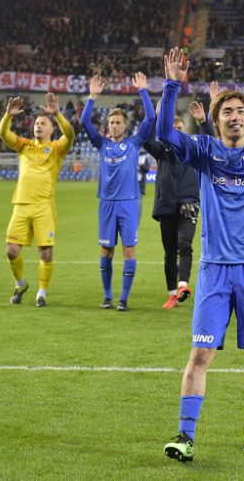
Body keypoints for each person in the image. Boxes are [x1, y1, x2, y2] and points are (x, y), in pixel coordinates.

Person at [159, 39, 244, 462]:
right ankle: (185, 437)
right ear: (216, 121)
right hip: (215, 270)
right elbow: (165, 133)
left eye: (240, 111)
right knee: (200, 353)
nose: (234, 116)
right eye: (226, 112)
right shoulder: (203, 152)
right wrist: (170, 86)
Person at [80, 72, 155, 311]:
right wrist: (92, 97)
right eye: (111, 123)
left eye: (118, 122)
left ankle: (123, 299)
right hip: (107, 203)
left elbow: (151, 117)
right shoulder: (102, 144)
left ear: (125, 125)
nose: (114, 126)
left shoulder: (133, 143)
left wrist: (143, 90)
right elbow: (84, 123)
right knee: (106, 250)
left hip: (129, 203)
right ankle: (108, 296)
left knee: (129, 250)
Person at [0, 92, 75, 308]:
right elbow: (2, 133)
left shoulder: (58, 148)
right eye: (36, 123)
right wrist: (8, 115)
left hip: (44, 207)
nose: (38, 126)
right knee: (11, 251)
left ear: (51, 129)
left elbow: (70, 134)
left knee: (46, 252)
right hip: (21, 204)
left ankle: (42, 292)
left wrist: (57, 113)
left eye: (43, 123)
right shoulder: (24, 145)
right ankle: (20, 284)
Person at [143, 100, 212, 309]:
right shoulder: (161, 150)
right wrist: (154, 119)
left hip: (188, 201)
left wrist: (203, 121)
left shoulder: (193, 147)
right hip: (165, 204)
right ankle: (172, 294)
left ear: (185, 130)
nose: (176, 131)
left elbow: (210, 141)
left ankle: (183, 286)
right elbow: (145, 139)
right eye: (172, 128)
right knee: (170, 251)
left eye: (179, 128)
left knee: (185, 244)